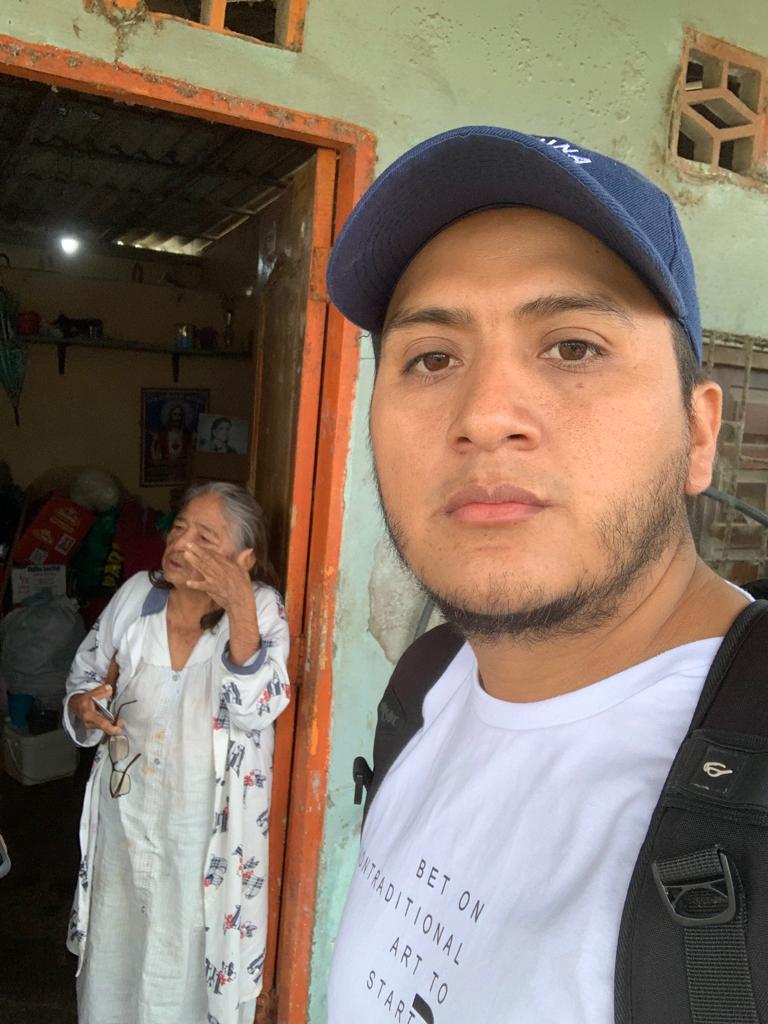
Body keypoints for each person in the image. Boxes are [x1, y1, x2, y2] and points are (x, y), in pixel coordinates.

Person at [324, 127, 749, 1022]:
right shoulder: (426, 686)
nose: (484, 416)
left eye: (574, 347)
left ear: (698, 434)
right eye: (432, 358)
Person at [63, 481, 290, 1024]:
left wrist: (238, 602)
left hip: (205, 841)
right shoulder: (137, 597)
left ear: (244, 558)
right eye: (180, 527)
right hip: (125, 823)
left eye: (205, 537)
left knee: (186, 962)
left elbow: (256, 707)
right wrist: (83, 707)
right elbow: (83, 677)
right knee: (116, 954)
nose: (181, 543)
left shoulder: (261, 608)